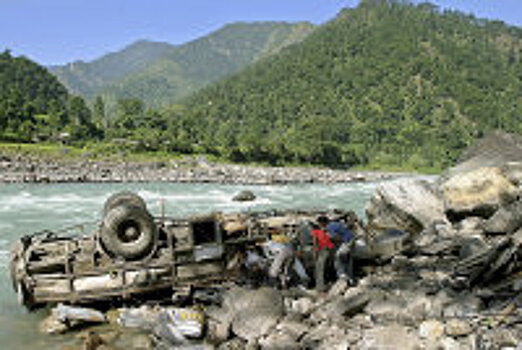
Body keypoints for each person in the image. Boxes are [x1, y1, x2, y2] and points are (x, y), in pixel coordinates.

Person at [319, 215, 355, 285]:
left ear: (323, 223)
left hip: (347, 242)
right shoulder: (335, 223)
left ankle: (342, 276)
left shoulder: (329, 227)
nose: (320, 226)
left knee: (338, 257)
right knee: (348, 260)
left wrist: (326, 237)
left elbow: (336, 237)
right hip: (351, 239)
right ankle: (351, 279)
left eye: (320, 224)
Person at [311, 217, 334, 291]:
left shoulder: (316, 231)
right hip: (329, 249)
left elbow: (315, 242)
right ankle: (324, 284)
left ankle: (320, 287)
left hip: (323, 250)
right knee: (324, 268)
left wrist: (315, 252)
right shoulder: (326, 230)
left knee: (319, 269)